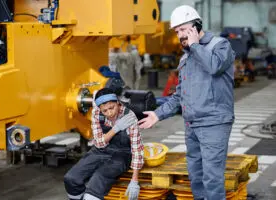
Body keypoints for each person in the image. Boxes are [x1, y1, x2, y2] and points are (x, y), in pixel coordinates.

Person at [138, 5, 235, 200]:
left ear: (197, 26)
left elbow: (214, 67)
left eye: (184, 30)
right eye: (177, 32)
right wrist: (158, 114)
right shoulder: (186, 57)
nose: (180, 35)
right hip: (192, 124)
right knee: (196, 177)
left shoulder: (220, 46)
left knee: (212, 179)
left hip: (214, 124)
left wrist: (195, 46)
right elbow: (180, 95)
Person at [64, 88, 144, 200]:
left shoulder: (129, 117)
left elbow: (137, 150)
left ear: (118, 103)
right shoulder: (97, 112)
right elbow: (99, 143)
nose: (109, 113)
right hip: (100, 150)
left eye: (112, 108)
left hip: (122, 155)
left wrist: (134, 180)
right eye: (105, 111)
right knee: (71, 179)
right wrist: (116, 129)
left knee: (96, 184)